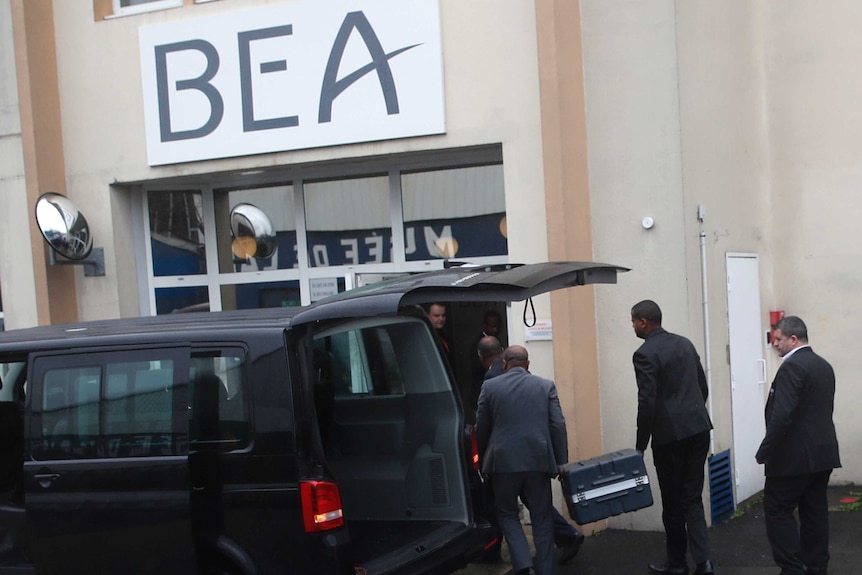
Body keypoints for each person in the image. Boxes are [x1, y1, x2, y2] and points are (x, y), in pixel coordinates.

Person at [474, 335, 584, 565]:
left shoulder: (490, 387)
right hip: (538, 462)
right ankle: (543, 570)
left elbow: (481, 427)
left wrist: (484, 461)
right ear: (528, 365)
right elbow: (558, 424)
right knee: (542, 517)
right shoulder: (545, 386)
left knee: (507, 515)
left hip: (502, 463)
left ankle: (523, 566)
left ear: (504, 364)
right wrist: (560, 461)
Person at [630, 300, 714, 575]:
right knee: (692, 497)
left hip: (669, 436)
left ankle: (677, 563)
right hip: (698, 428)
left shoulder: (644, 354)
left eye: (633, 321)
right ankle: (704, 562)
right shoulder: (685, 344)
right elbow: (702, 386)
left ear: (643, 321)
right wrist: (692, 414)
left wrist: (641, 444)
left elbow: (647, 401)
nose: (632, 326)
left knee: (672, 501)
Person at [755, 316, 840, 575]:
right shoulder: (823, 366)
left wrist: (765, 450)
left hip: (792, 458)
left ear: (793, 339)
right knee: (814, 512)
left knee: (778, 511)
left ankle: (791, 568)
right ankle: (817, 567)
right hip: (822, 454)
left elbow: (783, 415)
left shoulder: (793, 367)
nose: (775, 344)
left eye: (778, 339)